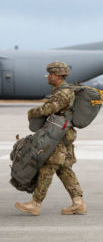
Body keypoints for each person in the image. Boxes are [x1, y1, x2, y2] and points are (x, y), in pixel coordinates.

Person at [15, 62, 86, 216]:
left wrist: (33, 112)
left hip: (58, 136)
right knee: (63, 168)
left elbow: (49, 109)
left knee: (48, 167)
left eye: (51, 74)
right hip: (62, 133)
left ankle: (36, 203)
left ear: (59, 76)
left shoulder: (63, 93)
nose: (49, 76)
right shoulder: (61, 91)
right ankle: (78, 203)